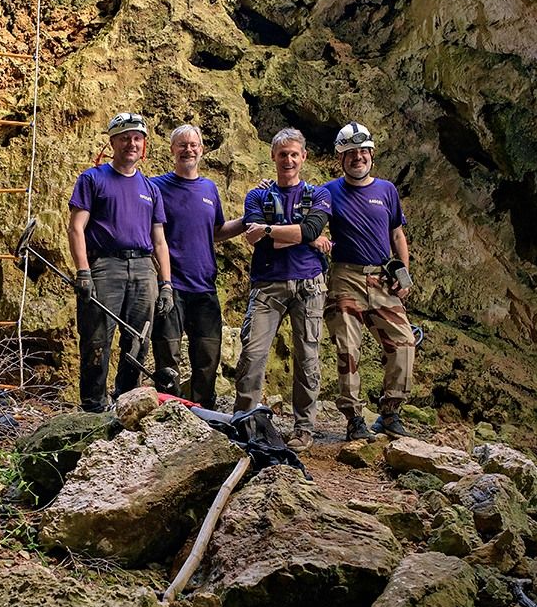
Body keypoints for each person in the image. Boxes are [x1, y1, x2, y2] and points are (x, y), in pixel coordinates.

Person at [232, 129, 332, 448]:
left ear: (303, 157)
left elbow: (312, 228)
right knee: (253, 352)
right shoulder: (256, 196)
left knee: (307, 357)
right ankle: (244, 420)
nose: (288, 159)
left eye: (294, 154)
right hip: (268, 284)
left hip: (310, 284)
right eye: (282, 154)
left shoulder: (319, 195)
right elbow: (255, 237)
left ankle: (304, 428)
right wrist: (301, 236)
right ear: (273, 157)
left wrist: (275, 231)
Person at [68, 111, 173, 412]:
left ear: (144, 145)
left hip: (143, 269)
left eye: (137, 138)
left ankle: (126, 403)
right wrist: (83, 272)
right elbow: (76, 227)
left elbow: (159, 241)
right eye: (125, 137)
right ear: (112, 142)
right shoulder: (93, 179)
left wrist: (166, 283)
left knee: (139, 341)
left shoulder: (151, 189)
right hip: (105, 267)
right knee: (97, 339)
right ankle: (93, 407)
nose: (132, 143)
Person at [318, 121, 416, 441]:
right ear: (340, 158)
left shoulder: (386, 190)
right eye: (350, 153)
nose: (358, 157)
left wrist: (404, 273)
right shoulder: (329, 191)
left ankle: (389, 413)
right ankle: (354, 419)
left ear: (372, 154)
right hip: (345, 278)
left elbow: (397, 234)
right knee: (349, 348)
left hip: (382, 278)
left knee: (404, 344)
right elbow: (311, 224)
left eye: (363, 152)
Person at [150, 124, 246, 407]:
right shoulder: (156, 187)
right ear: (172, 150)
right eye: (182, 145)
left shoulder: (209, 189)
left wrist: (246, 221)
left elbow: (215, 231)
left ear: (202, 149)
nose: (188, 149)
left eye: (193, 145)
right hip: (171, 285)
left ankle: (204, 412)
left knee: (207, 355)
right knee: (167, 354)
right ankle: (167, 412)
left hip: (204, 285)